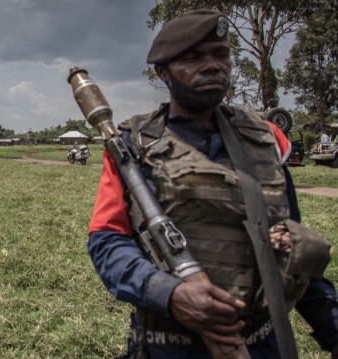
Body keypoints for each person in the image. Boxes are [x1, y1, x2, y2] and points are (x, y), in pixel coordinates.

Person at [87, 10, 338, 358]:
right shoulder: (133, 146)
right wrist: (168, 294)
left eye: (220, 54)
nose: (211, 65)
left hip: (264, 343)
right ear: (163, 72)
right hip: (169, 347)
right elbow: (107, 241)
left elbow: (289, 244)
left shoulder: (268, 140)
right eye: (192, 57)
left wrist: (332, 329)